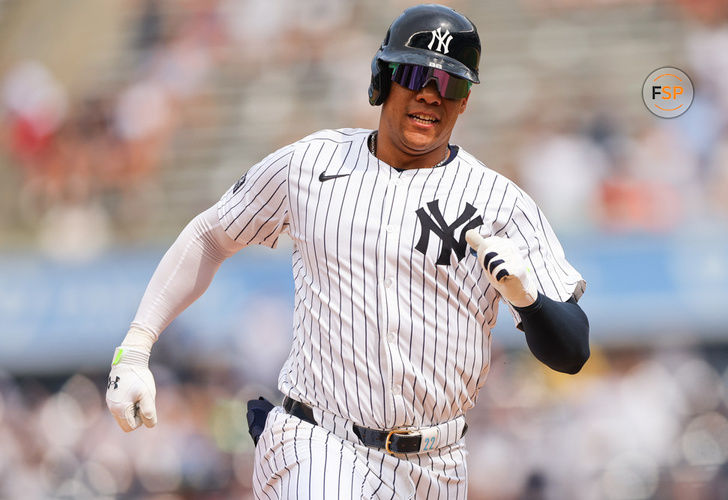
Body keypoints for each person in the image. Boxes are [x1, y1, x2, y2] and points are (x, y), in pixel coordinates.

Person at [105, 4, 590, 499]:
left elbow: (573, 352)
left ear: (465, 101)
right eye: (417, 74)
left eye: (451, 84)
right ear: (383, 78)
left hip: (437, 465)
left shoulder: (500, 202)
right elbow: (211, 235)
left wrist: (529, 302)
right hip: (317, 439)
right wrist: (135, 351)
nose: (430, 94)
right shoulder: (312, 163)